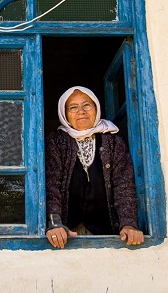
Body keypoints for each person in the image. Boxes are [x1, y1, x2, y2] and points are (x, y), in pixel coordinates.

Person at [45, 86, 144, 248]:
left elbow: (124, 186)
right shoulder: (56, 142)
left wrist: (128, 225)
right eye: (73, 107)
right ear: (65, 115)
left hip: (107, 232)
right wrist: (55, 223)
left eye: (87, 105)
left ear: (96, 109)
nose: (81, 111)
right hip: (67, 234)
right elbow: (51, 184)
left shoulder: (113, 142)